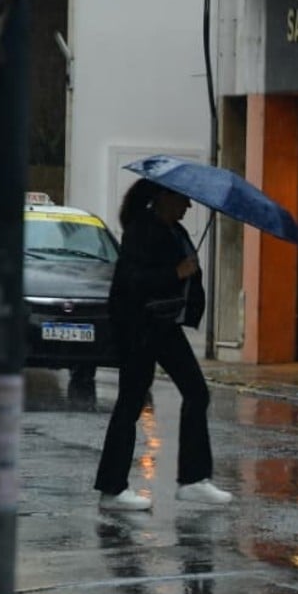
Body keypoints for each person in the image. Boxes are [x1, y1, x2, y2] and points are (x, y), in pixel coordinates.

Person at [93, 178, 232, 511]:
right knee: (131, 401)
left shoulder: (175, 231)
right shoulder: (141, 230)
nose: (189, 206)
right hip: (139, 327)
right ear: (164, 197)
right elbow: (132, 282)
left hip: (165, 326)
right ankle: (112, 489)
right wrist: (176, 273)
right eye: (183, 198)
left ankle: (194, 480)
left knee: (197, 392)